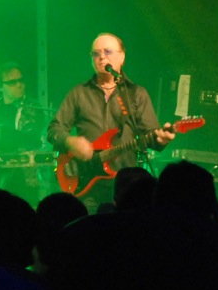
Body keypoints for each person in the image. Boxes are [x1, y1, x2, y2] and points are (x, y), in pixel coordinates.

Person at [46, 32, 174, 203]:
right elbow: (53, 130)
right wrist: (70, 141)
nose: (101, 57)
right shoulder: (79, 93)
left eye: (107, 51)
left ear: (122, 57)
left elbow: (150, 136)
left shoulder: (136, 94)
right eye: (96, 53)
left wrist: (162, 139)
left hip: (126, 187)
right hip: (87, 184)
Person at [0, 61, 43, 149]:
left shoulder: (32, 107)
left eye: (21, 80)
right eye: (12, 82)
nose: (19, 85)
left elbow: (31, 139)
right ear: (0, 87)